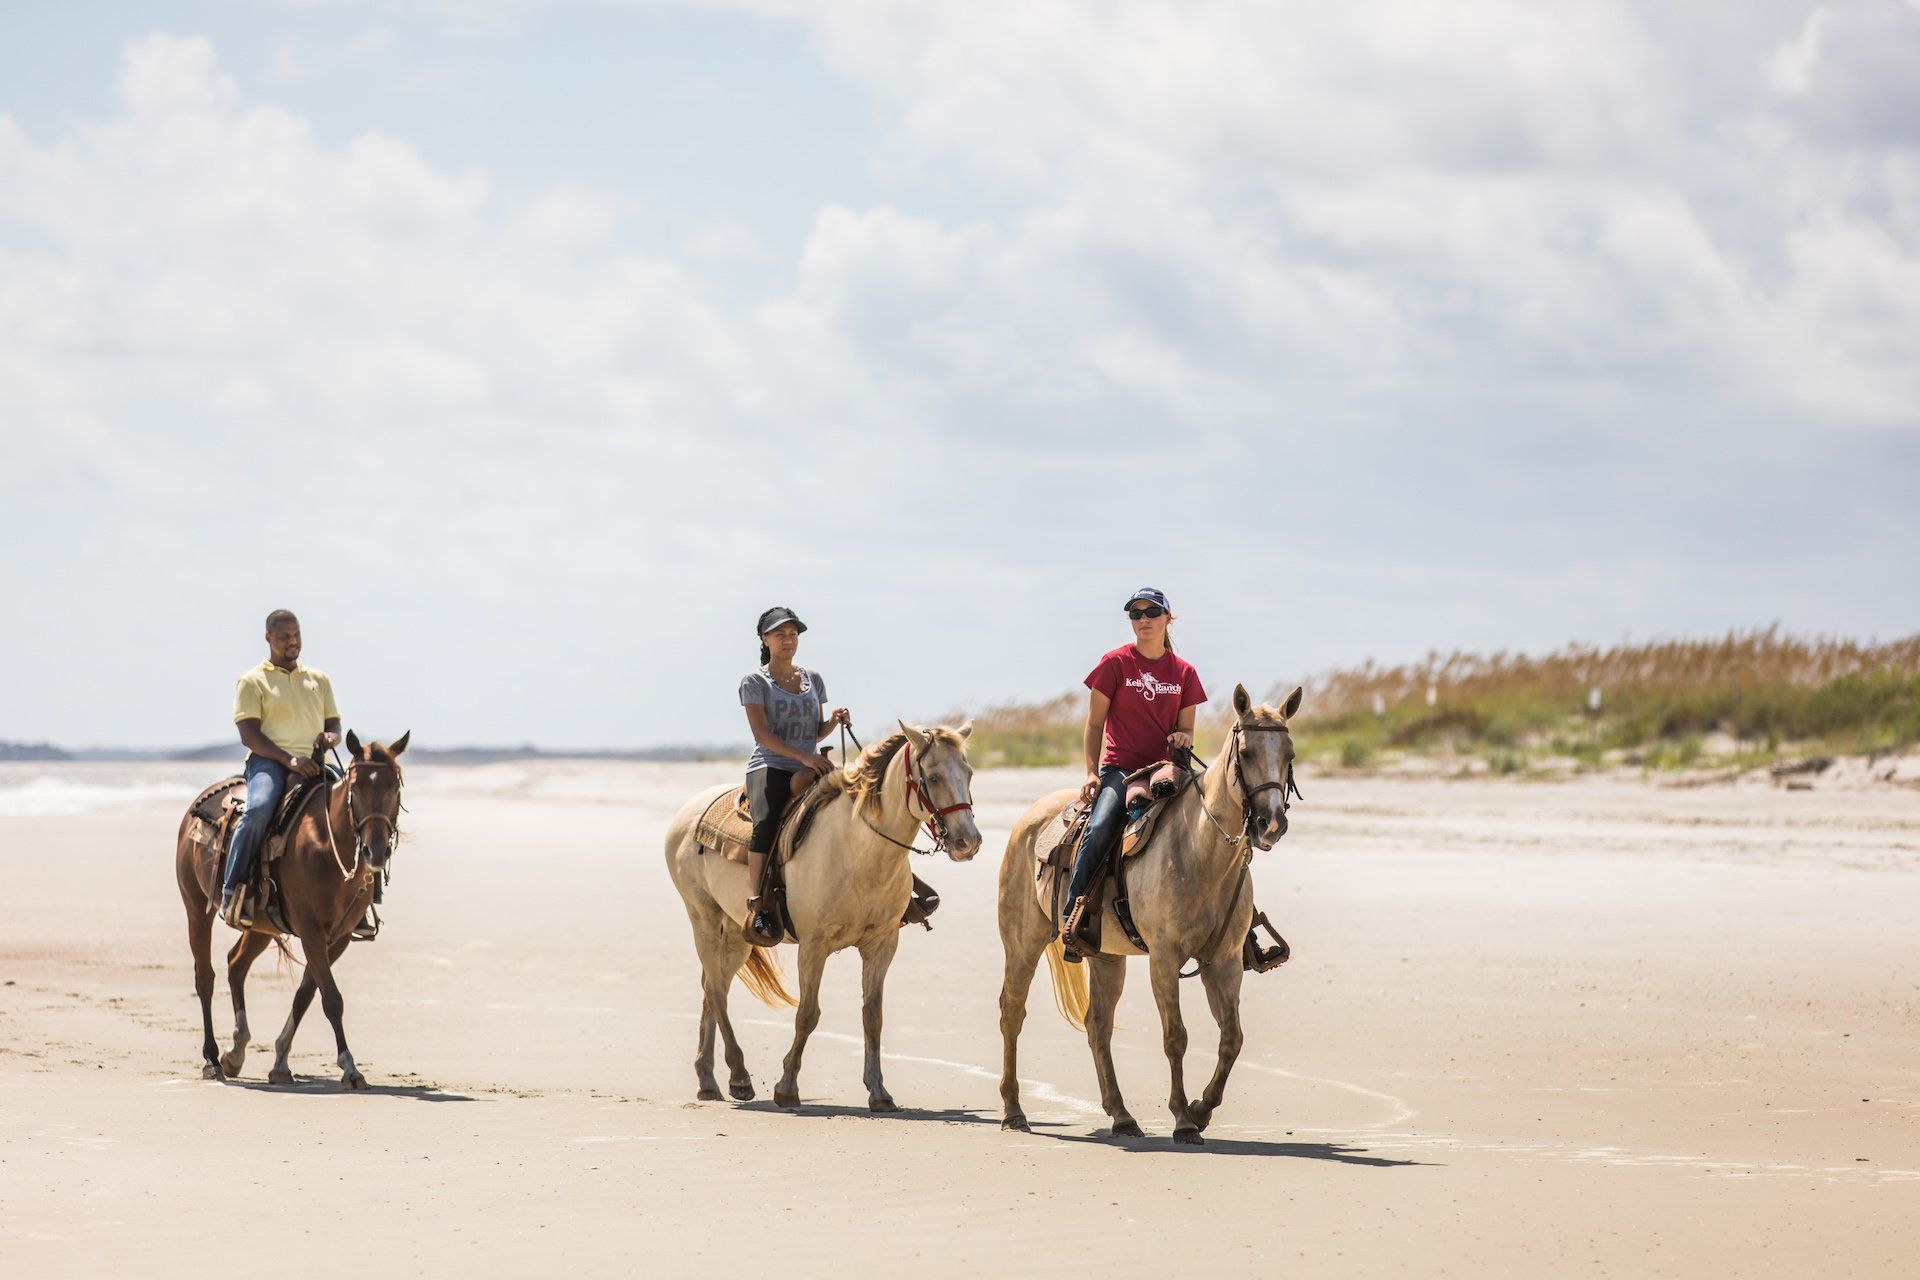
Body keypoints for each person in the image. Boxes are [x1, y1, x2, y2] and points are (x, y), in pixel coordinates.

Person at [1061, 588, 1206, 954]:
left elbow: (1188, 728)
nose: (1143, 619)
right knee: (1098, 828)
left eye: (1152, 612)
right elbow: (1094, 724)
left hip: (1167, 768)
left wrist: (1183, 736)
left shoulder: (1184, 672)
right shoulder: (1115, 664)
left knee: (1220, 820)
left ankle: (1241, 929)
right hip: (1120, 770)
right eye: (1135, 613)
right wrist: (1092, 772)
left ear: (1167, 618)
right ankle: (1073, 922)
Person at [220, 610, 342, 927]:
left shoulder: (319, 680)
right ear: (268, 638)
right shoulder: (251, 681)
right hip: (269, 763)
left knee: (360, 806)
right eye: (285, 636)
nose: (293, 641)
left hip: (316, 762)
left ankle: (367, 900)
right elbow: (248, 735)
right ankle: (232, 891)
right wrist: (289, 761)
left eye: (296, 634)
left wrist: (331, 736)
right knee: (259, 810)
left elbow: (334, 723)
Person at [739, 607, 850, 945]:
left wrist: (834, 722)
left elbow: (814, 733)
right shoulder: (754, 682)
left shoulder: (812, 679)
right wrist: (804, 757)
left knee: (854, 806)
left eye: (793, 634)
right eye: (780, 634)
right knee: (768, 822)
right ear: (765, 639)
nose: (788, 639)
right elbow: (762, 734)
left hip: (807, 764)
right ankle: (757, 904)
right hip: (770, 766)